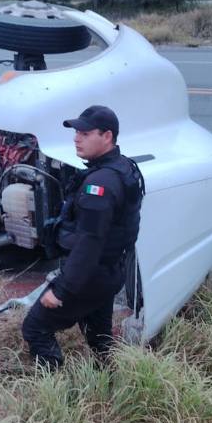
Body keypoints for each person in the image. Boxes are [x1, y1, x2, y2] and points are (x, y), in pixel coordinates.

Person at [22, 105, 145, 369]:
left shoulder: (99, 186)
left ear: (107, 136)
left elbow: (89, 243)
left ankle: (51, 391)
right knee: (99, 338)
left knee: (36, 328)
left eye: (86, 133)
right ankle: (111, 381)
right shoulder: (124, 168)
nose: (77, 138)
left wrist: (61, 289)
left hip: (90, 277)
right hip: (110, 272)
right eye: (76, 132)